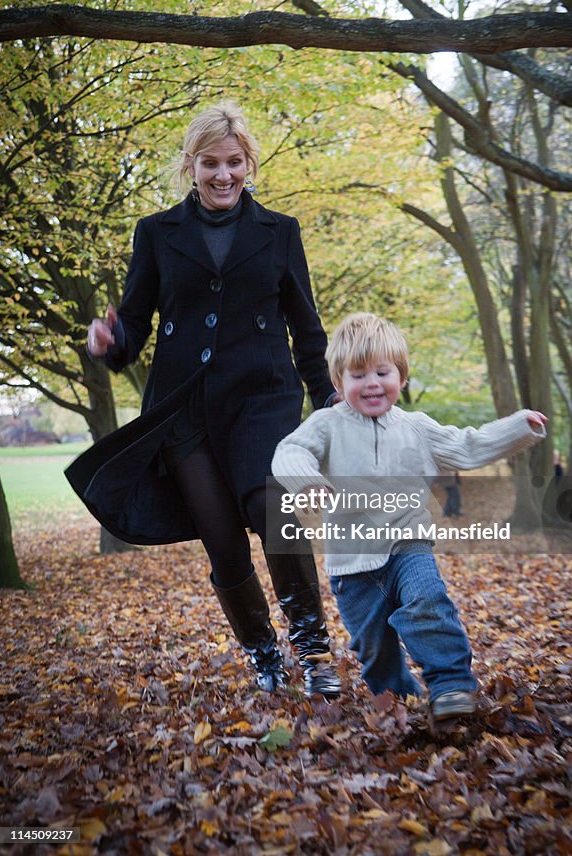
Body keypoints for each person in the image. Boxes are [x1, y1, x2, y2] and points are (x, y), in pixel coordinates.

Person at [66, 101, 340, 698]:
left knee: (275, 512)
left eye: (234, 162)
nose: (223, 175)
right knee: (220, 537)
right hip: (184, 410)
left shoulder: (280, 232)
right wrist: (109, 343)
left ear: (250, 165)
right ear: (191, 165)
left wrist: (329, 403)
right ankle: (264, 653)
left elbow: (307, 329)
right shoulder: (157, 233)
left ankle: (315, 652)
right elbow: (133, 325)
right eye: (210, 163)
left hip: (263, 401)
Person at [271, 313, 547, 723]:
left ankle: (451, 685)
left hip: (408, 546)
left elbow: (467, 446)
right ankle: (401, 700)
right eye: (358, 375)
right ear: (338, 383)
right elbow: (289, 451)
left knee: (427, 603)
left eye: (382, 372)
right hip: (352, 564)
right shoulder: (326, 425)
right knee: (374, 648)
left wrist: (517, 428)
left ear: (401, 376)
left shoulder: (417, 427)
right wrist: (306, 481)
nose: (372, 384)